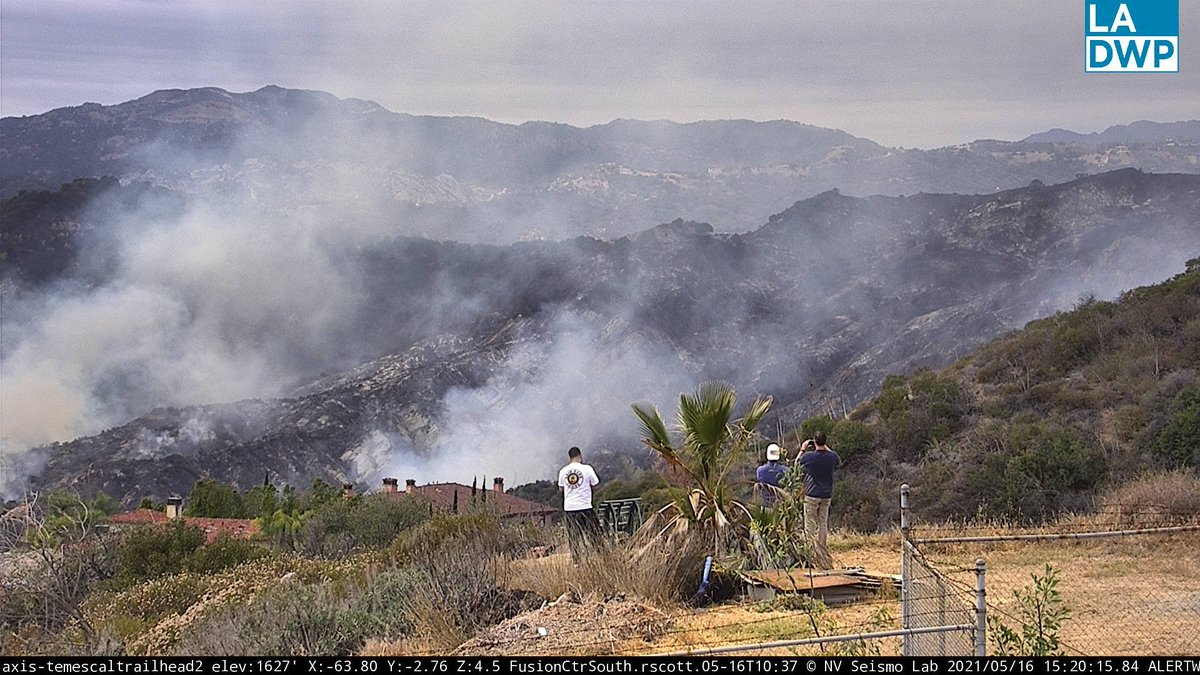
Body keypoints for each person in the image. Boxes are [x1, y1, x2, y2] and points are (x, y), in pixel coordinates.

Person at [798, 431, 840, 569]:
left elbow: (797, 462)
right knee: (823, 523)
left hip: (811, 494)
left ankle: (810, 553)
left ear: (814, 442)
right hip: (826, 494)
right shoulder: (831, 457)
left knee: (809, 524)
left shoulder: (810, 457)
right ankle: (822, 552)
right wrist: (825, 447)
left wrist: (803, 448)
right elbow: (837, 459)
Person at [558, 446, 601, 564]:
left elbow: (561, 489)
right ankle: (602, 557)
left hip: (570, 508)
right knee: (594, 535)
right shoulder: (587, 469)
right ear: (580, 456)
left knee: (574, 537)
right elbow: (595, 484)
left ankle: (576, 562)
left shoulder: (563, 471)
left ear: (569, 457)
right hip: (585, 507)